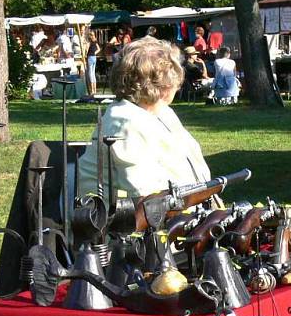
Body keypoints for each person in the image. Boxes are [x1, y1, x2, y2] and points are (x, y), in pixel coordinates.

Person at [77, 37, 213, 198]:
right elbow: (147, 196)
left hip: (176, 212)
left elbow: (196, 170)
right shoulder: (124, 122)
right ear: (164, 84)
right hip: (122, 219)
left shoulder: (162, 112)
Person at [86, 31, 100, 95]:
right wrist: (95, 53)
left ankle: (92, 91)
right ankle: (94, 90)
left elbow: (86, 50)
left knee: (90, 74)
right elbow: (99, 49)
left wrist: (85, 54)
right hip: (94, 57)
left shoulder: (89, 42)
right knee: (93, 74)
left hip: (90, 57)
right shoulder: (95, 41)